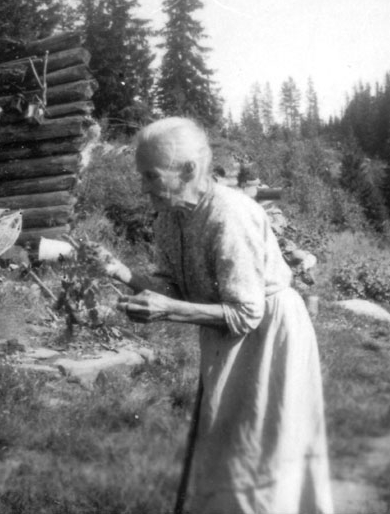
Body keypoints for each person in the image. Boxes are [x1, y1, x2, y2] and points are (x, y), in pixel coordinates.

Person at [89, 117, 334, 514]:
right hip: (227, 334)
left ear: (189, 170)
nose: (143, 187)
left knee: (261, 453)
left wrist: (169, 310)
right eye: (141, 176)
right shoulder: (170, 217)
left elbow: (246, 312)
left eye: (151, 176)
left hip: (269, 335)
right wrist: (123, 273)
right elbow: (176, 288)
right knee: (226, 447)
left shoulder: (229, 214)